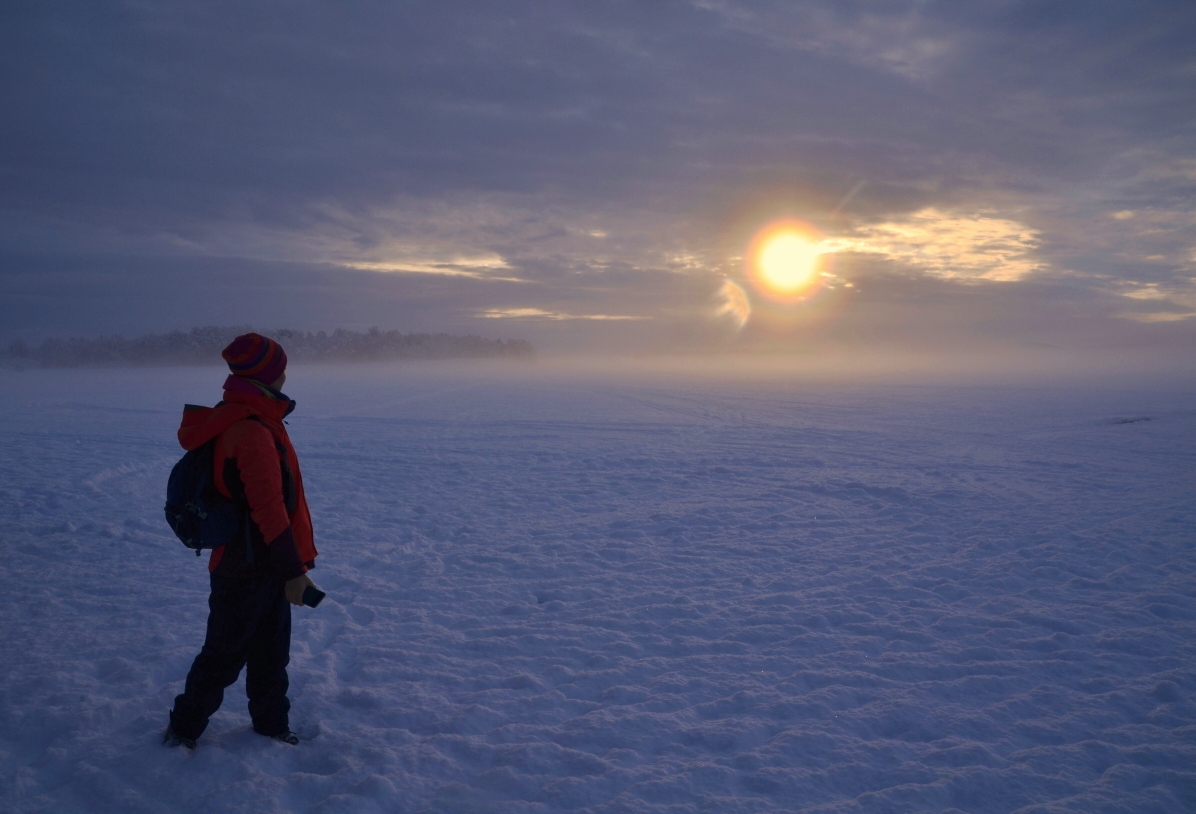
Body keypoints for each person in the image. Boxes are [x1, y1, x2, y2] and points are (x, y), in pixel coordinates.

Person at [163, 333, 320, 748]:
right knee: (222, 657)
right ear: (270, 375)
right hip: (245, 569)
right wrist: (294, 571)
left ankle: (272, 724)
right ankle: (182, 731)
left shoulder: (254, 416)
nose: (287, 373)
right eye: (281, 367)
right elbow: (269, 510)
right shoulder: (249, 429)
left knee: (271, 655)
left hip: (263, 564)